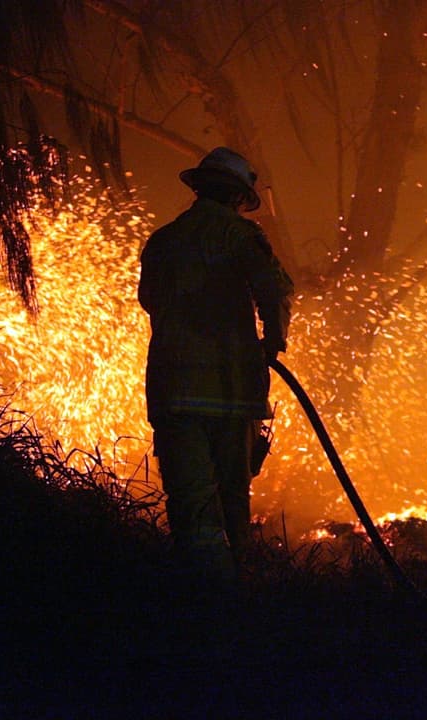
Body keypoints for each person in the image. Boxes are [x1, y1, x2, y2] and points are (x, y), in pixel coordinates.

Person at [139, 147, 294, 589]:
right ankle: (234, 594)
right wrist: (272, 340)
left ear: (200, 187)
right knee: (233, 498)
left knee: (191, 501)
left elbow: (150, 300)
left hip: (173, 389)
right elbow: (276, 290)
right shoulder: (243, 238)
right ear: (238, 197)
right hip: (232, 390)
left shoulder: (164, 240)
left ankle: (198, 599)